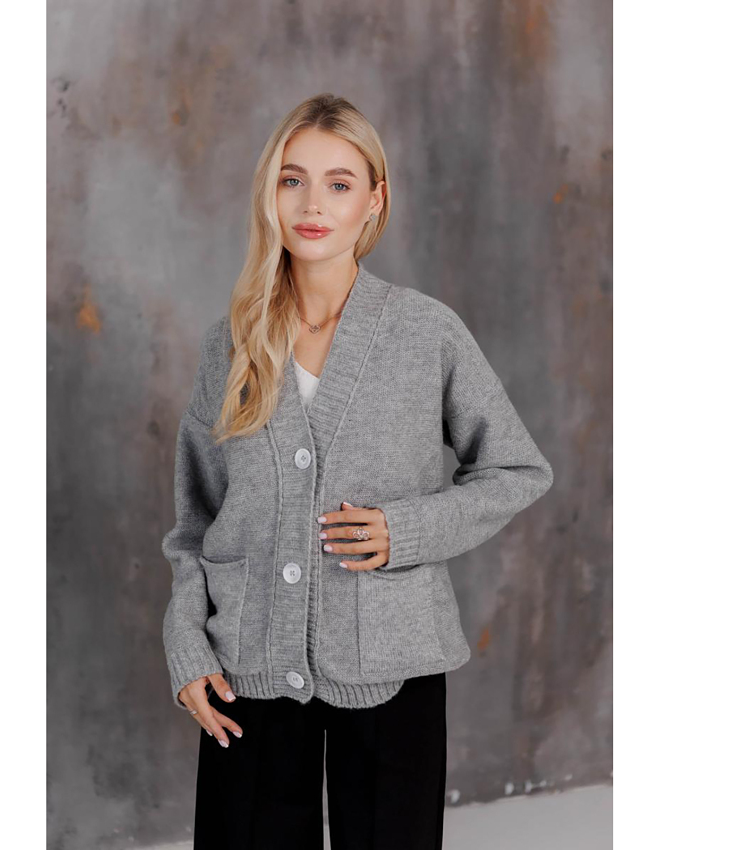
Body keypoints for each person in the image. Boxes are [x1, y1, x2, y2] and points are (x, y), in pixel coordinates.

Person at [160, 93, 554, 850]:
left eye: (339, 184)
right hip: (247, 667)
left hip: (391, 662)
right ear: (269, 193)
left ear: (374, 200)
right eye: (293, 180)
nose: (313, 204)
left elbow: (515, 467)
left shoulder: (425, 334)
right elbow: (196, 524)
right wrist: (187, 647)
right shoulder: (231, 346)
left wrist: (407, 530)